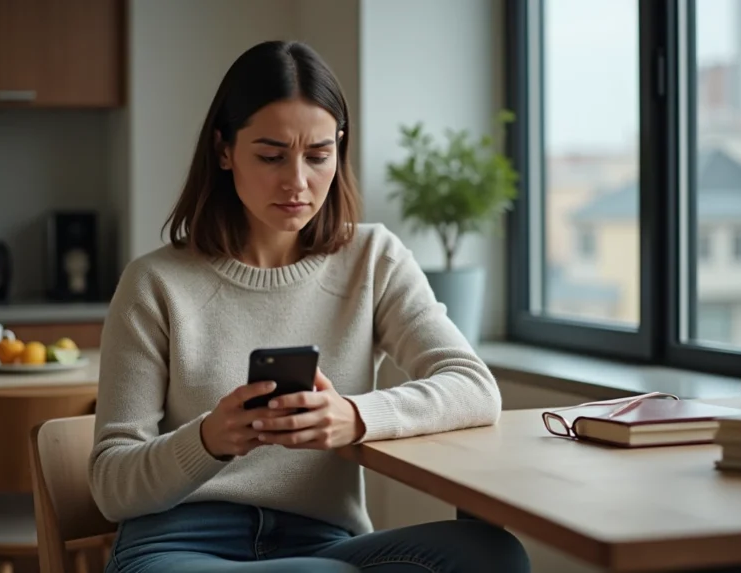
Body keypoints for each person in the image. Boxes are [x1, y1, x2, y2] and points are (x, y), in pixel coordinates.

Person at [88, 40, 530, 573]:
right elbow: (112, 487)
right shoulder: (154, 283)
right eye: (271, 156)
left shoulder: (373, 258)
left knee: (492, 554)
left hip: (323, 540)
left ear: (339, 149)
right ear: (224, 150)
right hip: (177, 545)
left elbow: (473, 387)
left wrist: (354, 416)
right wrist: (207, 439)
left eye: (319, 156)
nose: (297, 182)